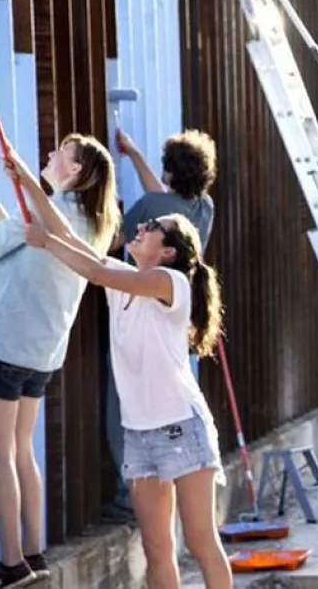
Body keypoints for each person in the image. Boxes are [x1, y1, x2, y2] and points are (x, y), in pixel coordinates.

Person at [24, 212, 231, 589]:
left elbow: (93, 270)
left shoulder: (170, 281)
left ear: (168, 251)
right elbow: (71, 237)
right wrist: (23, 177)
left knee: (201, 542)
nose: (140, 226)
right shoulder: (125, 281)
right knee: (156, 547)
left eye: (152, 226)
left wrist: (46, 242)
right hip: (138, 433)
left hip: (182, 428)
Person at [0, 136, 119, 588]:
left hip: (5, 344)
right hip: (39, 355)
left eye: (61, 151)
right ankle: (33, 553)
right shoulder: (88, 221)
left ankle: (10, 564)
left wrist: (25, 176)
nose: (50, 154)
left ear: (76, 170)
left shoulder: (56, 213)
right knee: (20, 449)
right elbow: (18, 241)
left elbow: (11, 242)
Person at [104, 128, 217, 524]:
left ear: (170, 171)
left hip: (142, 326)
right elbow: (163, 197)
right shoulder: (203, 208)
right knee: (175, 408)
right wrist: (134, 153)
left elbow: (114, 241)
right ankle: (172, 481)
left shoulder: (152, 205)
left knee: (127, 406)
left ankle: (128, 496)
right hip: (177, 324)